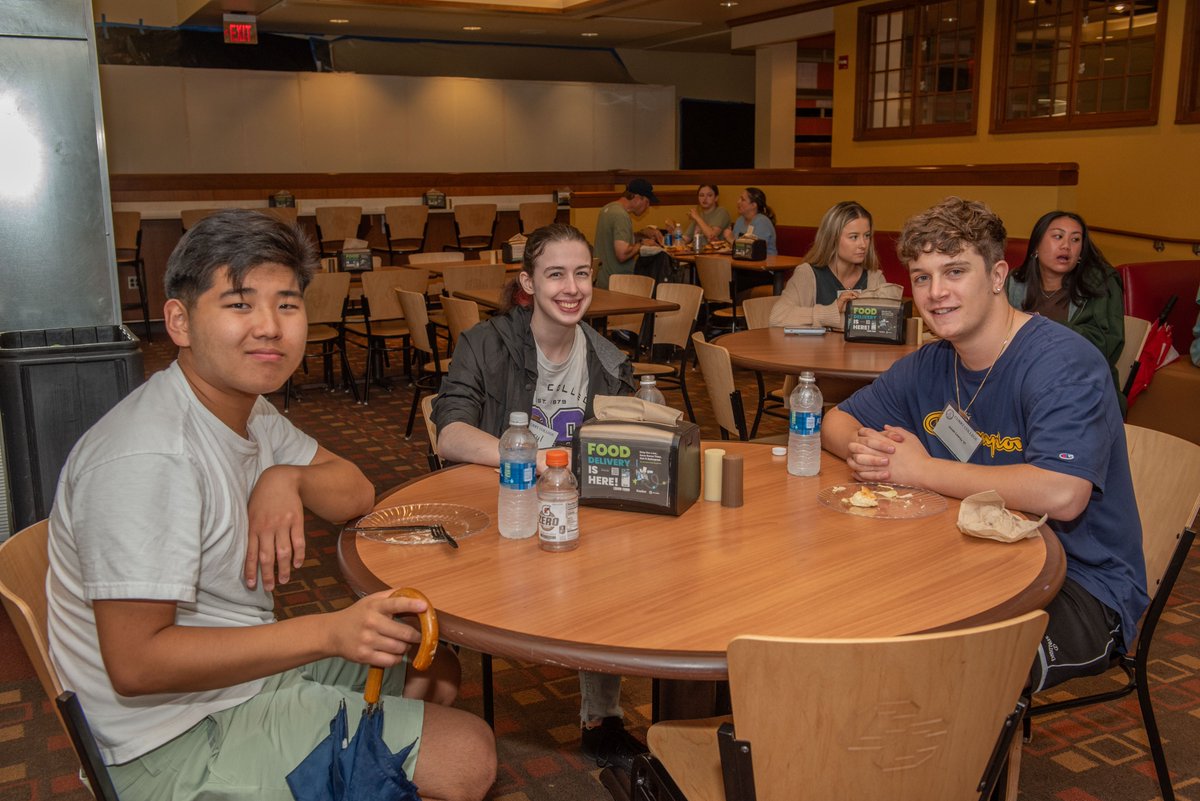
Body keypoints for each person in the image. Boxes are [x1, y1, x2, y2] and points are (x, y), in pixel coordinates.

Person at [46, 210, 496, 801]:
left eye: (286, 304)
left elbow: (356, 494)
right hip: (165, 740)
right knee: (468, 755)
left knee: (433, 670)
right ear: (180, 321)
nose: (270, 327)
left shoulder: (247, 408)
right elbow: (137, 665)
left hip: (238, 677)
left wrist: (285, 478)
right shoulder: (148, 455)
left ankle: (357, 769)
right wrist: (328, 633)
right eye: (239, 304)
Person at [823, 197, 1148, 694]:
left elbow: (1063, 493)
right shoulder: (931, 363)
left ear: (998, 276)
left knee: (947, 671)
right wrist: (866, 451)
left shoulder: (1063, 363)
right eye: (922, 277)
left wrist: (919, 470)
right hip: (965, 559)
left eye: (954, 271)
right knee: (844, 610)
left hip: (1078, 582)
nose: (936, 293)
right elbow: (836, 420)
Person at [432, 223, 643, 771]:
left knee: (614, 569)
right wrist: (530, 457)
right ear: (528, 282)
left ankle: (602, 717)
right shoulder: (485, 342)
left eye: (581, 273)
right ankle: (435, 684)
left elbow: (621, 449)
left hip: (575, 510)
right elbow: (450, 432)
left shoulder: (608, 360)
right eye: (555, 274)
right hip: (499, 507)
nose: (571, 287)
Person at [1006, 210, 1125, 405]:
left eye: (1075, 240)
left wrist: (1045, 328)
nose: (1066, 246)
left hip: (1081, 389)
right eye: (1058, 236)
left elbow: (1107, 346)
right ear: (1036, 245)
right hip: (1021, 384)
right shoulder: (1015, 282)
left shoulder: (1100, 284)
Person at [770, 200, 890, 330]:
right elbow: (777, 318)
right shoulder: (808, 274)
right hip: (814, 350)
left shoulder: (875, 279)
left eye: (867, 236)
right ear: (832, 238)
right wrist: (832, 311)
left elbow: (888, 325)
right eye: (854, 237)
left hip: (861, 351)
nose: (863, 244)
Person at [594, 177, 663, 289]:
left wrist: (642, 234)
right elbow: (622, 253)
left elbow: (616, 240)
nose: (648, 207)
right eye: (647, 202)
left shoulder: (607, 209)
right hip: (618, 285)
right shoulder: (621, 216)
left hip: (602, 281)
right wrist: (641, 244)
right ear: (636, 198)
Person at [666, 183, 731, 246]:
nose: (705, 198)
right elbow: (685, 240)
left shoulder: (722, 212)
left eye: (709, 195)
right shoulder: (698, 215)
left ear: (716, 198)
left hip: (716, 254)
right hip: (698, 252)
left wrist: (697, 218)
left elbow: (711, 236)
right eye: (701, 195)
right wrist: (673, 232)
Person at [724, 187, 778, 256]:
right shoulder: (740, 220)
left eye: (743, 200)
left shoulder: (762, 222)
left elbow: (756, 251)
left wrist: (731, 239)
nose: (738, 202)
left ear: (753, 205)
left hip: (764, 264)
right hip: (742, 262)